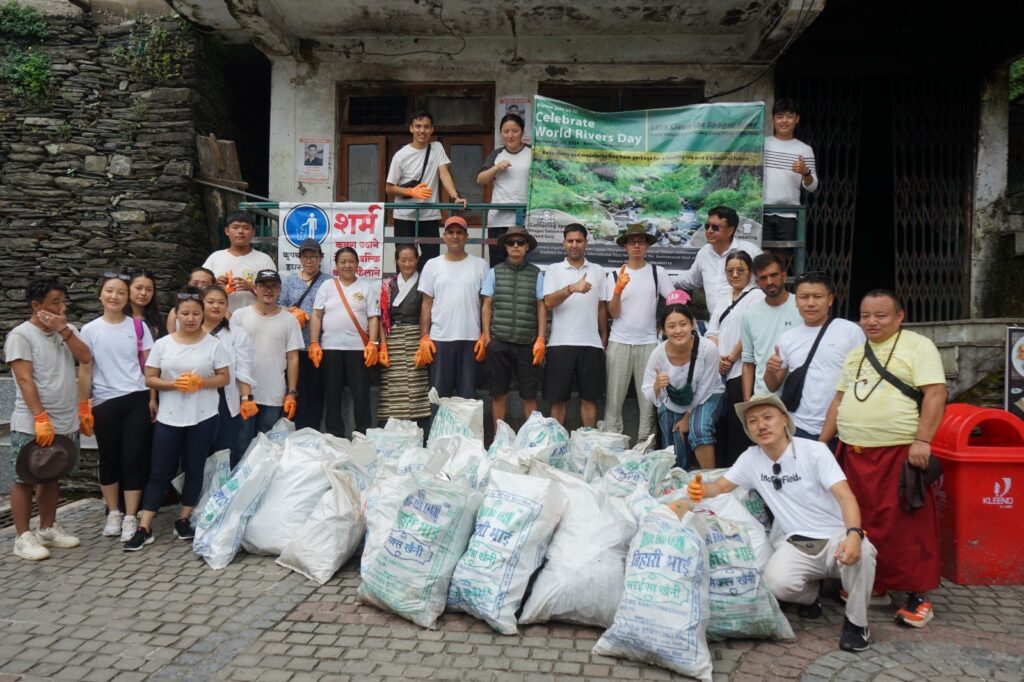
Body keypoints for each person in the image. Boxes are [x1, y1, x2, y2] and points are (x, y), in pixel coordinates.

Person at [686, 394, 876, 653]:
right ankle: (811, 595)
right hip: (796, 542)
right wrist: (699, 489)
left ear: (784, 420)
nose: (761, 425)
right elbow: (721, 486)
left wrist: (853, 533)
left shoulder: (815, 451)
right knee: (774, 583)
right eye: (752, 421)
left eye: (767, 417)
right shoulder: (751, 458)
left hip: (835, 537)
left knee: (864, 551)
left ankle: (857, 624)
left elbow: (845, 496)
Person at [821, 290, 947, 628]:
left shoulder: (918, 346)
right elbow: (839, 400)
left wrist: (923, 440)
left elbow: (935, 393)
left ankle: (918, 596)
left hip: (898, 453)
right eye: (865, 315)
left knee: (907, 525)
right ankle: (875, 586)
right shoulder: (856, 353)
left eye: (881, 315)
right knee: (863, 522)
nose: (871, 322)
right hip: (853, 452)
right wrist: (821, 444)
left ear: (900, 316)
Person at [125, 288, 231, 551]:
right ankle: (144, 526)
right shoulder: (163, 344)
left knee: (195, 468)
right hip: (170, 417)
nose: (191, 318)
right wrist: (174, 385)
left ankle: (184, 518)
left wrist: (201, 382)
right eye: (185, 313)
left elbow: (224, 378)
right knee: (159, 471)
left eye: (196, 313)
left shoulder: (214, 344)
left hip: (203, 415)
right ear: (177, 314)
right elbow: (149, 378)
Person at [5, 277, 91, 561]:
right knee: (25, 477)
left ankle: (47, 528)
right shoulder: (21, 335)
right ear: (36, 305)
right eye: (55, 303)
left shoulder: (67, 330)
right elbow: (24, 379)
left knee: (51, 473)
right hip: (32, 421)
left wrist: (63, 329)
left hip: (65, 417)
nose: (61, 307)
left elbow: (86, 357)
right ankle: (22, 536)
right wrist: (39, 416)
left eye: (63, 301)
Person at [78, 272, 154, 542]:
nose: (115, 296)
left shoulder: (138, 327)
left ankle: (131, 515)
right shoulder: (89, 330)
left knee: (133, 458)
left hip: (136, 397)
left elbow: (150, 366)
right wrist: (83, 405)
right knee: (108, 457)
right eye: (110, 291)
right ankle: (113, 512)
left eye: (121, 292)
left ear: (127, 298)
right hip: (104, 401)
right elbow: (86, 370)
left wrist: (153, 399)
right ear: (100, 295)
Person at [764, 272, 864, 442]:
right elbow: (773, 385)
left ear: (830, 299)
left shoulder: (850, 331)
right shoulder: (788, 338)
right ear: (796, 301)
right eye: (804, 297)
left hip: (842, 428)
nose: (810, 303)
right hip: (798, 427)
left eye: (817, 296)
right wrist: (770, 370)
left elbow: (863, 379)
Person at [605, 223, 676, 443]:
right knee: (613, 400)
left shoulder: (657, 272)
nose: (636, 246)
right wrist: (617, 291)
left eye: (641, 242)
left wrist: (665, 326)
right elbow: (613, 313)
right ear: (625, 246)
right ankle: (611, 444)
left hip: (648, 344)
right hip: (619, 342)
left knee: (649, 400)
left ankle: (646, 446)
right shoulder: (615, 275)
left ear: (647, 245)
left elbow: (675, 301)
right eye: (632, 242)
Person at [641, 294, 723, 469]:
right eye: (671, 326)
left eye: (683, 324)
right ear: (663, 330)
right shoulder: (658, 354)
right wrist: (656, 387)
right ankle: (680, 480)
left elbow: (705, 389)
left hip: (708, 396)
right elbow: (646, 389)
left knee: (698, 428)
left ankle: (710, 479)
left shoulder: (708, 349)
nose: (678, 330)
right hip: (674, 401)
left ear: (692, 324)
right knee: (673, 439)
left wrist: (687, 416)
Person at [308, 248, 381, 437]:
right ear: (336, 265)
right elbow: (316, 314)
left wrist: (373, 343)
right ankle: (335, 435)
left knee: (361, 394)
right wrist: (314, 342)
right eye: (343, 261)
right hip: (330, 348)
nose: (347, 265)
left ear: (357, 264)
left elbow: (373, 317)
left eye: (351, 261)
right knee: (332, 394)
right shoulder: (327, 286)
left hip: (358, 349)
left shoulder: (366, 286)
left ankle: (362, 434)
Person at [542, 223, 610, 427]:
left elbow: (601, 307)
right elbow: (548, 302)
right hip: (560, 344)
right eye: (570, 241)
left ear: (586, 243)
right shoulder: (553, 270)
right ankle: (556, 447)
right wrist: (571, 288)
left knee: (589, 399)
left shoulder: (598, 271)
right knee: (558, 399)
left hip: (591, 344)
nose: (574, 245)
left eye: (578, 241)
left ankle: (586, 447)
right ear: (563, 243)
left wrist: (603, 336)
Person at [415, 216, 489, 401]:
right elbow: (426, 303)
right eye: (451, 232)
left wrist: (485, 333)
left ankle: (468, 431)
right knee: (438, 395)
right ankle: (437, 431)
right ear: (444, 236)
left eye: (459, 232)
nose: (455, 236)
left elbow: (487, 303)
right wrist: (424, 335)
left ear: (466, 236)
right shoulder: (432, 265)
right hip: (440, 338)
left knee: (468, 397)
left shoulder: (480, 265)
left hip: (470, 338)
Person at [479, 227, 546, 431]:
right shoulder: (495, 272)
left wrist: (541, 339)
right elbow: (487, 305)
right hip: (499, 342)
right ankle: (500, 439)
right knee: (499, 394)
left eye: (520, 242)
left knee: (530, 395)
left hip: (527, 343)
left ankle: (531, 441)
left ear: (527, 247)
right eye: (511, 243)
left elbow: (541, 306)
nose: (515, 246)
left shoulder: (536, 274)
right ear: (505, 247)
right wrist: (487, 338)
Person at [705, 250, 765, 466]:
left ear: (750, 272)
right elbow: (712, 331)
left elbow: (751, 331)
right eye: (730, 271)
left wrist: (730, 357)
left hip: (741, 369)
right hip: (719, 370)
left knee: (736, 422)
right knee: (719, 421)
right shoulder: (722, 299)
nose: (735, 274)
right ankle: (721, 470)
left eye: (741, 270)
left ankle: (737, 468)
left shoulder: (757, 296)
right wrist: (718, 356)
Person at [385, 111, 468, 264]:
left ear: (432, 129)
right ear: (411, 128)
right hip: (404, 215)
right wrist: (411, 191)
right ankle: (404, 288)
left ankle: (423, 287)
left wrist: (455, 196)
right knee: (404, 258)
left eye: (426, 127)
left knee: (432, 257)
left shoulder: (437, 148)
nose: (422, 130)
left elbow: (444, 174)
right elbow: (389, 188)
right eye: (418, 126)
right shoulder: (401, 155)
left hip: (429, 214)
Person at [231, 270, 303, 445]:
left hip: (274, 394)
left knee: (267, 447)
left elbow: (293, 358)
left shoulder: (289, 320)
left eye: (273, 286)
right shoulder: (240, 316)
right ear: (255, 288)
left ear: (279, 290)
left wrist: (291, 393)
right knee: (241, 444)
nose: (268, 290)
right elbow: (230, 353)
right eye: (263, 286)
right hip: (243, 393)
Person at [202, 286, 256, 467]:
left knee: (224, 451)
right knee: (197, 450)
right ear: (201, 304)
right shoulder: (192, 331)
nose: (216, 306)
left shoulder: (237, 333)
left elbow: (243, 368)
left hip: (226, 398)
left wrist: (246, 398)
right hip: (196, 396)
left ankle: (220, 492)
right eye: (210, 302)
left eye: (221, 302)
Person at [672, 206, 762, 315]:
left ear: (730, 230)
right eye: (707, 226)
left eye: (715, 227)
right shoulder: (704, 253)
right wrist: (661, 279)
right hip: (715, 321)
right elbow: (691, 279)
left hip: (744, 320)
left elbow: (766, 279)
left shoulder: (750, 251)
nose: (709, 231)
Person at [378, 244, 431, 428]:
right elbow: (382, 317)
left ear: (417, 260)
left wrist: (425, 339)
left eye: (411, 259)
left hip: (416, 337)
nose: (407, 264)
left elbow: (427, 312)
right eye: (403, 260)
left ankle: (419, 428)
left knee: (417, 385)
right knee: (392, 387)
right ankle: (391, 428)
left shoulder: (424, 283)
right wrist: (383, 345)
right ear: (397, 261)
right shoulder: (388, 285)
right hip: (393, 339)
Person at [278, 239, 328, 430]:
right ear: (299, 258)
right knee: (295, 390)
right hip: (294, 347)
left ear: (320, 258)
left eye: (313, 257)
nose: (309, 261)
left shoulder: (328, 281)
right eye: (305, 257)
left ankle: (312, 432)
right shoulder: (290, 282)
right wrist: (292, 312)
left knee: (316, 391)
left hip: (318, 347)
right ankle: (295, 430)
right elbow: (279, 306)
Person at [740, 252, 802, 400]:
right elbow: (748, 363)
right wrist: (748, 402)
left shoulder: (802, 307)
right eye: (763, 278)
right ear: (757, 282)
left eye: (774, 275)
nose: (769, 282)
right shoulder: (749, 315)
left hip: (800, 398)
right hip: (764, 397)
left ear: (784, 276)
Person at [476, 113, 532, 265]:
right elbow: (480, 179)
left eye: (515, 131)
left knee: (524, 264)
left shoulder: (532, 153)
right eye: (506, 131)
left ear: (522, 132)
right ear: (501, 133)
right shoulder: (497, 154)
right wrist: (496, 168)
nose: (510, 135)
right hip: (498, 220)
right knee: (498, 264)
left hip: (525, 219)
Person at [764, 98, 818, 247]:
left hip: (789, 213)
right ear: (773, 119)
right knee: (762, 260)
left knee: (781, 259)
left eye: (789, 116)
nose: (784, 121)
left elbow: (812, 187)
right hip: (761, 211)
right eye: (779, 116)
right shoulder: (762, 145)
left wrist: (805, 172)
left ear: (797, 119)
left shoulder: (804, 150)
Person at [202, 211, 276, 312]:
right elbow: (199, 289)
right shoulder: (215, 257)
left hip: (253, 319)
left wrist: (250, 287)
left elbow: (274, 293)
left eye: (246, 228)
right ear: (227, 231)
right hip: (219, 319)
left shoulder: (264, 259)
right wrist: (214, 284)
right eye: (235, 227)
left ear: (253, 232)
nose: (240, 231)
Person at [166, 266, 215, 332]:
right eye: (195, 283)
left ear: (213, 285)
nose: (199, 286)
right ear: (189, 283)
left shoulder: (218, 310)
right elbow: (170, 338)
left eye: (204, 284)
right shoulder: (174, 312)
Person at [125, 269, 166, 341]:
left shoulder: (156, 321)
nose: (143, 293)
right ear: (127, 288)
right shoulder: (118, 318)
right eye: (138, 288)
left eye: (149, 289)